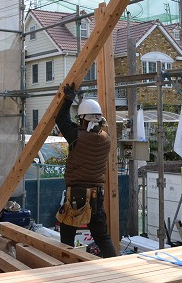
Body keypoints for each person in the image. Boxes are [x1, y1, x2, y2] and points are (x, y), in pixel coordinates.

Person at [55, 83, 117, 258]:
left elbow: (61, 120)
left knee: (67, 236)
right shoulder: (106, 138)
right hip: (97, 196)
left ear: (82, 119)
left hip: (77, 196)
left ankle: (67, 270)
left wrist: (68, 99)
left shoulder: (77, 137)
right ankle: (114, 266)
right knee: (102, 237)